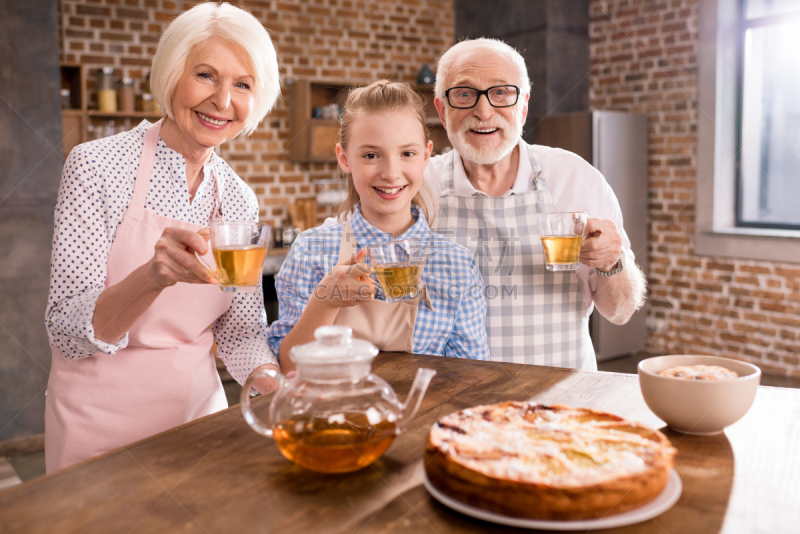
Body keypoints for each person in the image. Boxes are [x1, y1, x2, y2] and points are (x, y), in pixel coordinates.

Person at [44, 3, 282, 472]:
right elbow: (67, 331)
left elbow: (240, 332)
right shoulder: (96, 167)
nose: (222, 101)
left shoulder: (239, 200)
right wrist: (152, 277)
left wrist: (273, 380)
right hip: (97, 433)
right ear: (173, 74)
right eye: (206, 75)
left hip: (196, 428)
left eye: (242, 84)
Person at [424, 38, 647, 370]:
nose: (483, 111)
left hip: (563, 401)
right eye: (464, 94)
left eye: (501, 93)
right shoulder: (419, 187)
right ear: (442, 110)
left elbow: (621, 311)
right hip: (452, 403)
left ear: (523, 107)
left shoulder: (577, 178)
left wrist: (612, 262)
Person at [269, 81, 490, 367]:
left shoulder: (456, 263)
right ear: (344, 158)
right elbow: (287, 369)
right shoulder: (311, 250)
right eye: (371, 155)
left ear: (426, 155)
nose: (391, 173)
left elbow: (473, 377)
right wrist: (326, 301)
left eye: (407, 154)